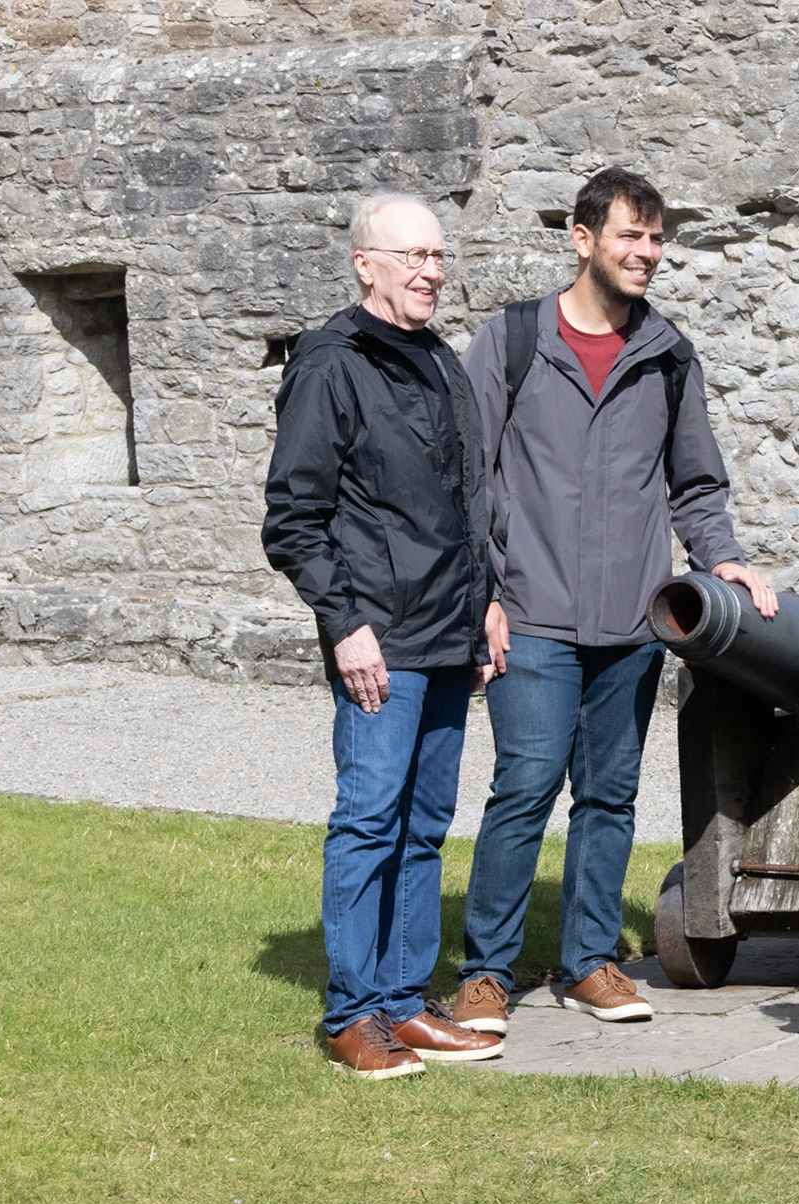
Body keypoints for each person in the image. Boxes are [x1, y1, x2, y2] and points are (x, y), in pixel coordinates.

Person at [451, 167, 777, 1035]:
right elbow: (467, 480)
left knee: (610, 794)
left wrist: (725, 560)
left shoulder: (668, 354)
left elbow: (697, 484)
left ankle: (591, 960)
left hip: (633, 623)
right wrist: (482, 595)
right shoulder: (512, 342)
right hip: (532, 613)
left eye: (657, 238)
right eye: (632, 235)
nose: (648, 253)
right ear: (581, 236)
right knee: (525, 785)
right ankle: (486, 972)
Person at [262, 192, 506, 1078]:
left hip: (447, 633)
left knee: (424, 825)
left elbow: (461, 502)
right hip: (380, 641)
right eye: (413, 256)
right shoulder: (331, 363)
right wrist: (344, 624)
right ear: (366, 262)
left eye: (439, 256)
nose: (431, 272)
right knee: (368, 823)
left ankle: (405, 1003)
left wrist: (485, 603)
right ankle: (351, 1013)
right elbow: (294, 516)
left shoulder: (440, 361)